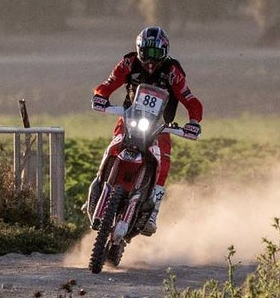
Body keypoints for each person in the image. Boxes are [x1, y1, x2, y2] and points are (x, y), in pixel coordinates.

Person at [87, 25, 203, 235]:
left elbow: (191, 101)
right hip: (130, 117)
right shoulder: (129, 63)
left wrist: (194, 122)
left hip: (160, 126)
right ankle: (99, 185)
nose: (150, 61)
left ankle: (152, 212)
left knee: (163, 162)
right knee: (113, 146)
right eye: (146, 54)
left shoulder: (172, 72)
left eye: (156, 54)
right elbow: (108, 84)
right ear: (139, 50)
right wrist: (100, 97)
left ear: (165, 52)